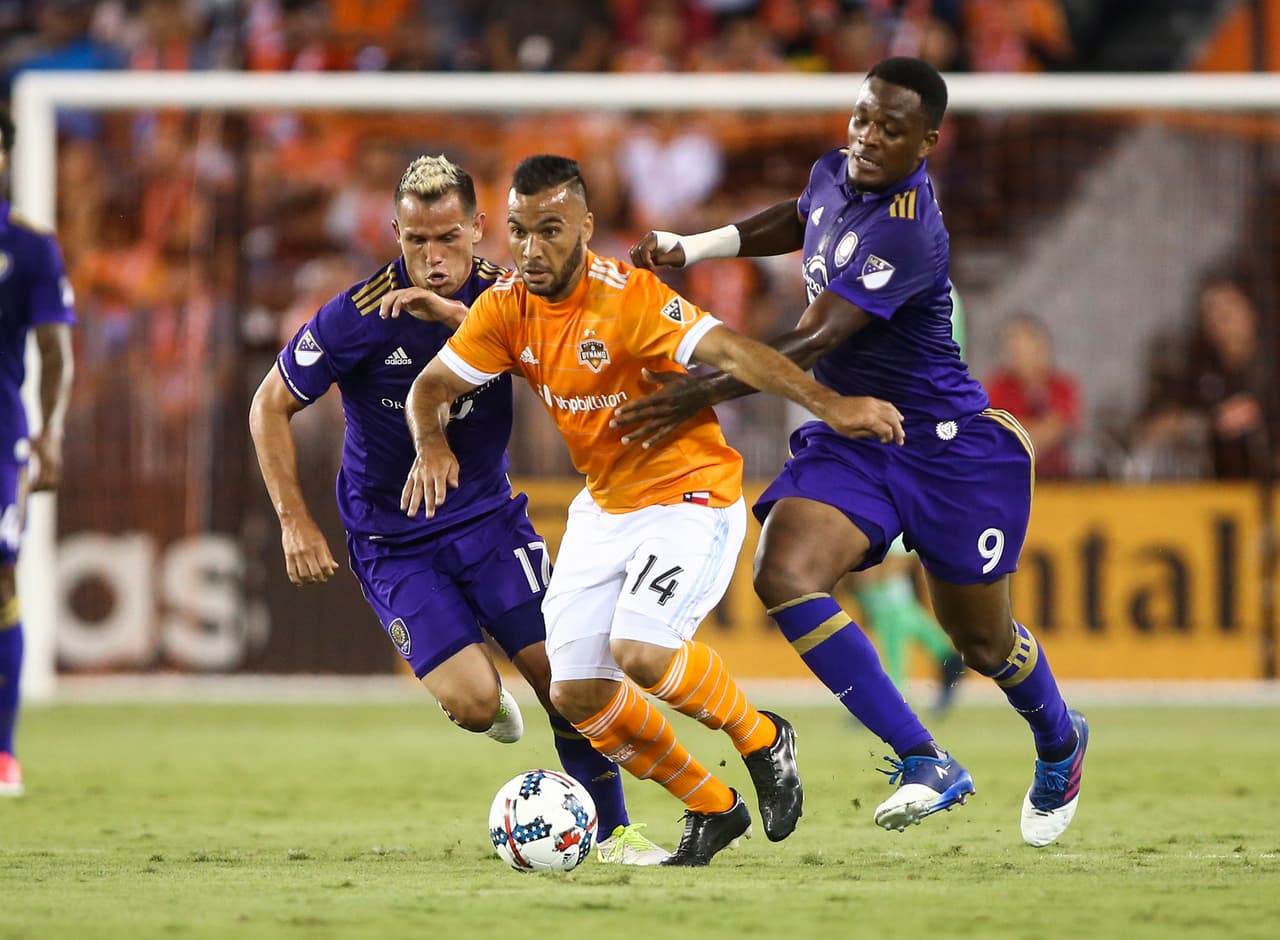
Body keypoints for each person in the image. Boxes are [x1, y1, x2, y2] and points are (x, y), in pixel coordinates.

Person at [623, 57, 1088, 848]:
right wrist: (692, 247)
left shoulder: (908, 231)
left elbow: (812, 338)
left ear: (928, 142)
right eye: (863, 118)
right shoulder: (836, 171)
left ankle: (1059, 739)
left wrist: (700, 388)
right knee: (785, 573)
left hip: (942, 449)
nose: (868, 139)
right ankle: (923, 757)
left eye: (891, 129)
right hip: (857, 435)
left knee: (983, 643)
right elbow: (798, 216)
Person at [402, 154, 906, 865]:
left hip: (688, 496)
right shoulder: (506, 309)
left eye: (549, 229)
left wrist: (834, 406)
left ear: (586, 226)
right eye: (517, 231)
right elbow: (429, 387)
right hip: (605, 507)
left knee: (641, 650)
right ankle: (711, 805)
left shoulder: (629, 299)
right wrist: (430, 444)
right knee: (573, 693)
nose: (530, 248)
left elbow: (734, 352)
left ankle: (764, 739)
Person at [248, 154, 666, 865]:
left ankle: (617, 832)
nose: (433, 258)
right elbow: (269, 405)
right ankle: (476, 692)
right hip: (392, 541)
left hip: (487, 521)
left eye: (448, 239)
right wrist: (294, 517)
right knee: (476, 705)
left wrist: (463, 329)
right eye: (416, 242)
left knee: (567, 680)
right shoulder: (356, 315)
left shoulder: (511, 296)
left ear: (479, 229)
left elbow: (561, 352)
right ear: (395, 233)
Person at [0, 109, 77, 798]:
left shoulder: (27, 249)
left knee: (0, 583)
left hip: (1, 438)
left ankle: (3, 754)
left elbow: (55, 349)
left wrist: (49, 432)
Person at [983, 313, 1081, 480]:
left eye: (1025, 343)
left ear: (1042, 347)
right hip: (1009, 480)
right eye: (1012, 345)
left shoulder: (1062, 386)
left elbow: (1058, 427)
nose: (1018, 351)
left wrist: (1026, 434)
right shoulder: (997, 387)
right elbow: (997, 431)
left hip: (1058, 482)